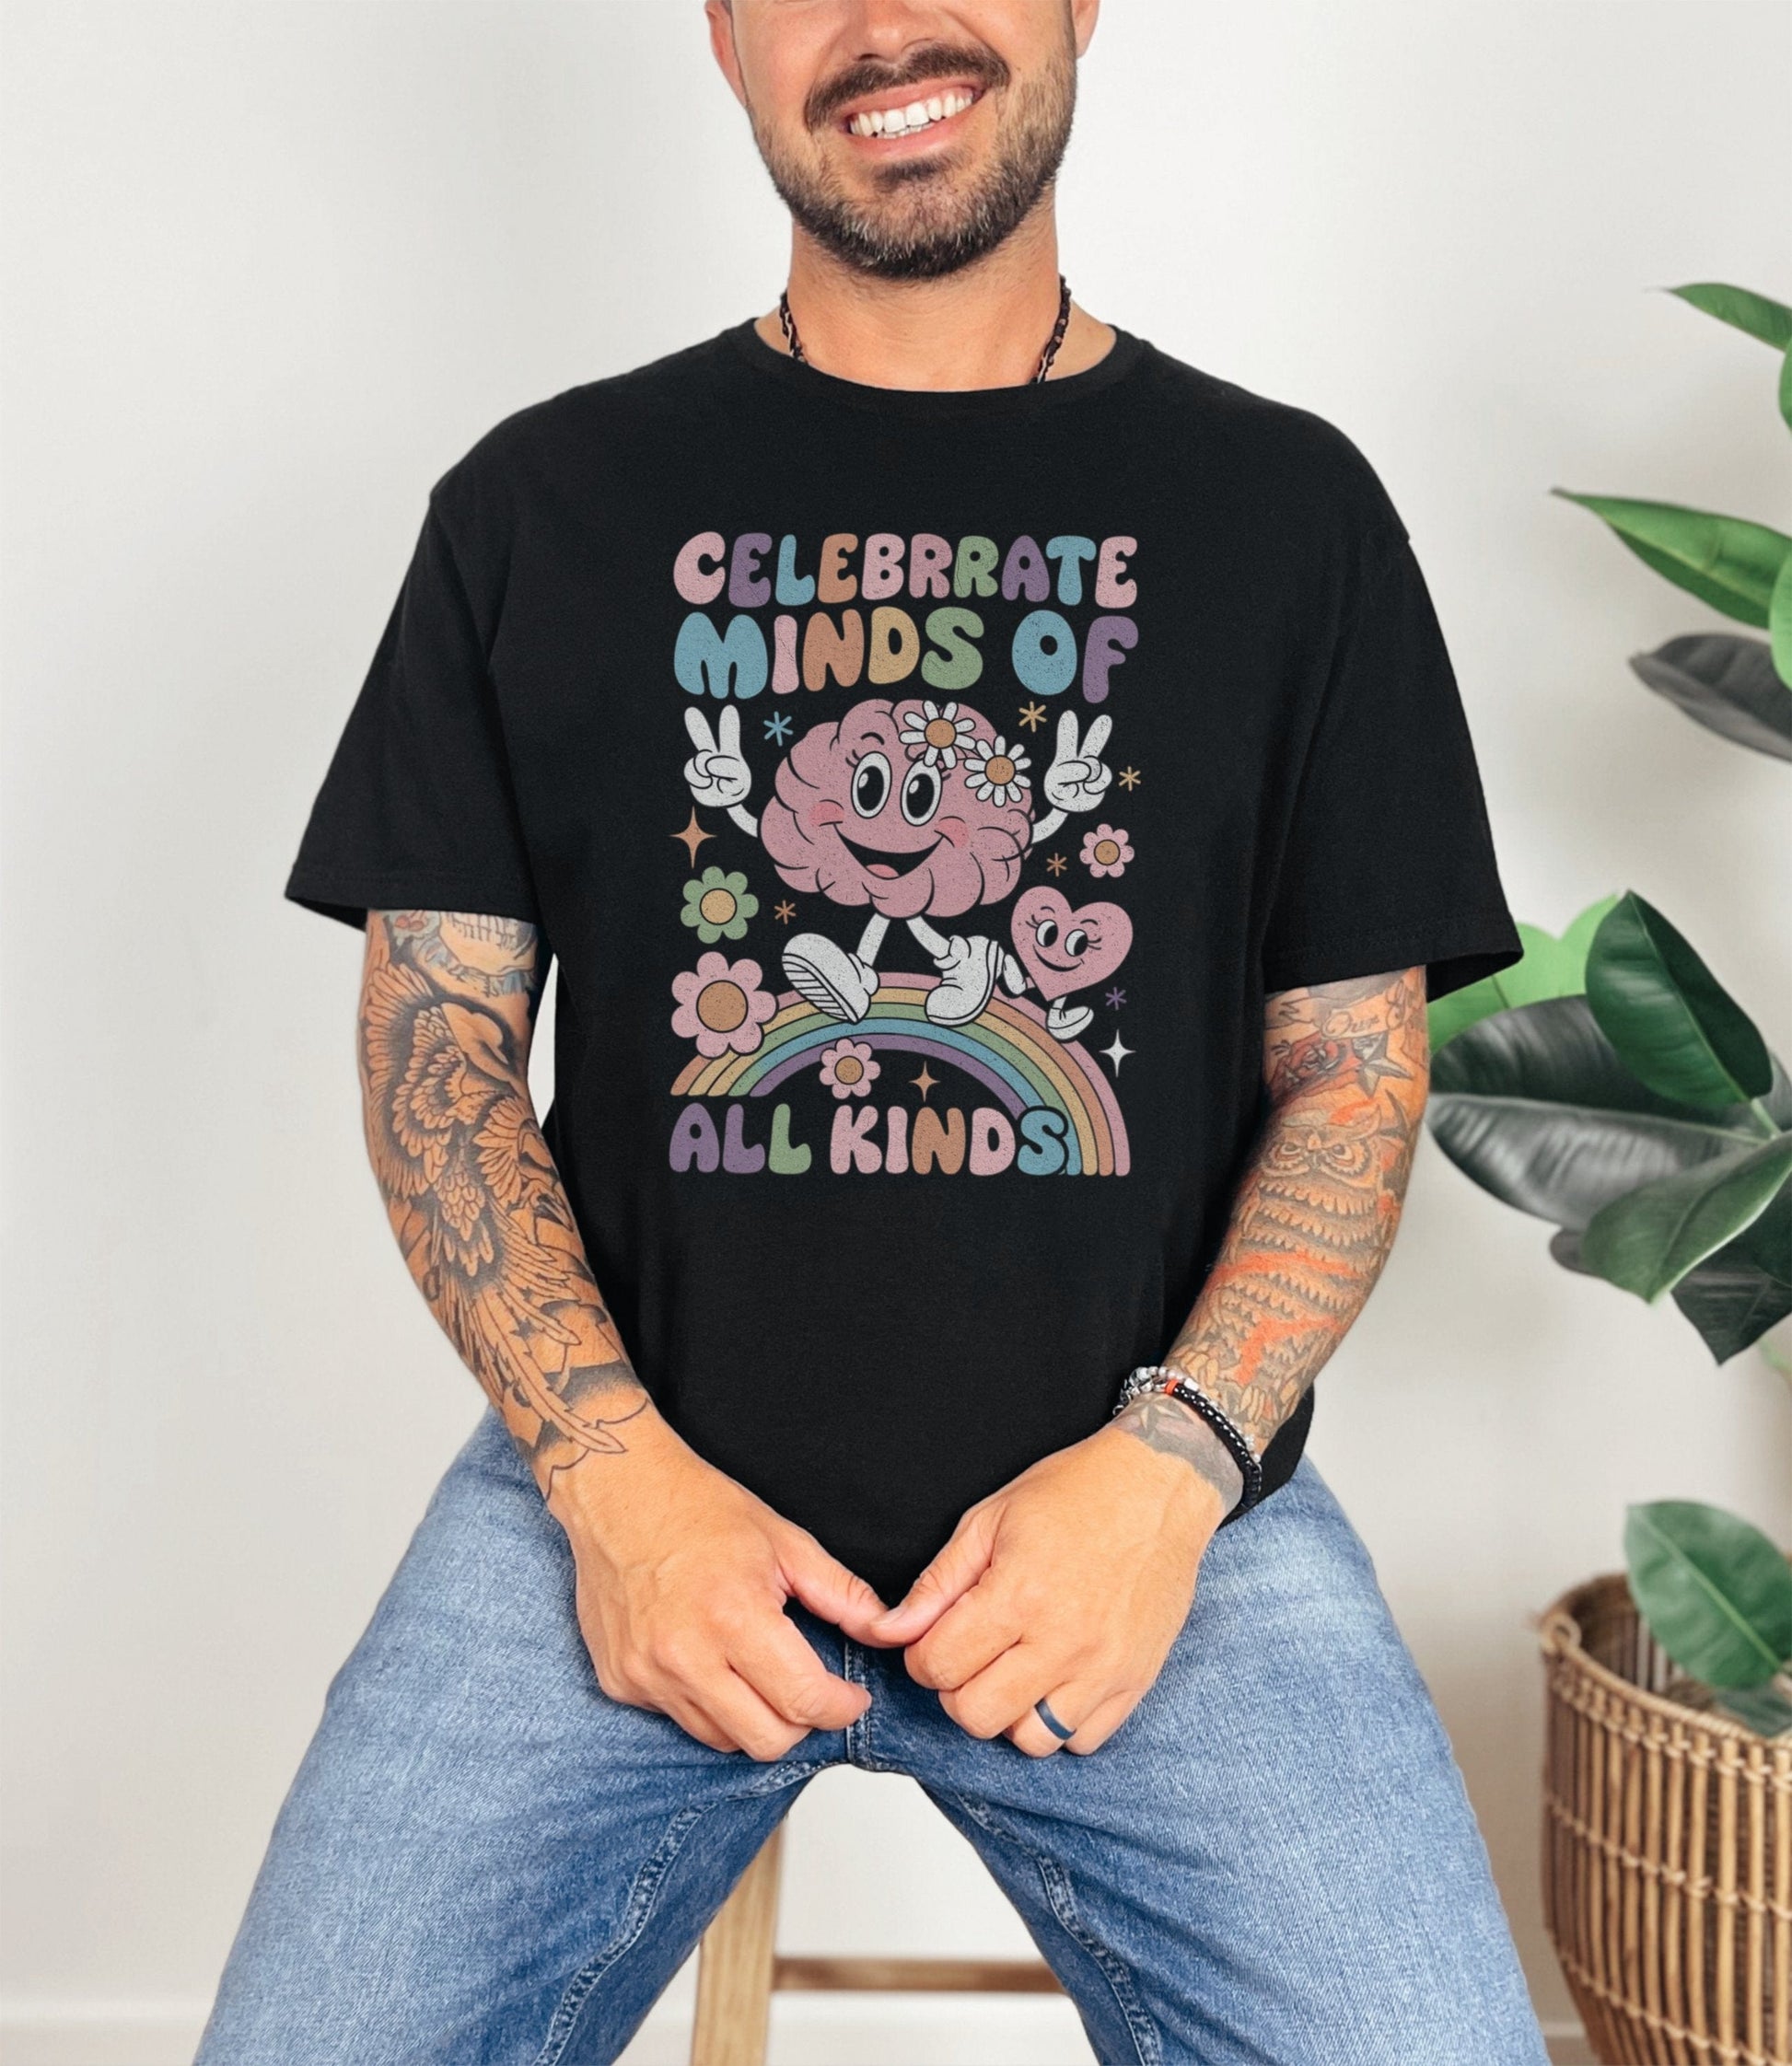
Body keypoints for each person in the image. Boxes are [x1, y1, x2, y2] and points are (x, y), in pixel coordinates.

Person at [198, 3, 1553, 2061]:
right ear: (725, 38)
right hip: (626, 1505)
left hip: (1160, 1526)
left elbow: (1352, 1078)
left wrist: (1172, 1472)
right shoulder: (540, 502)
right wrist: (613, 1484)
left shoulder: (1290, 513)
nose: (885, 22)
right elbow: (437, 1054)